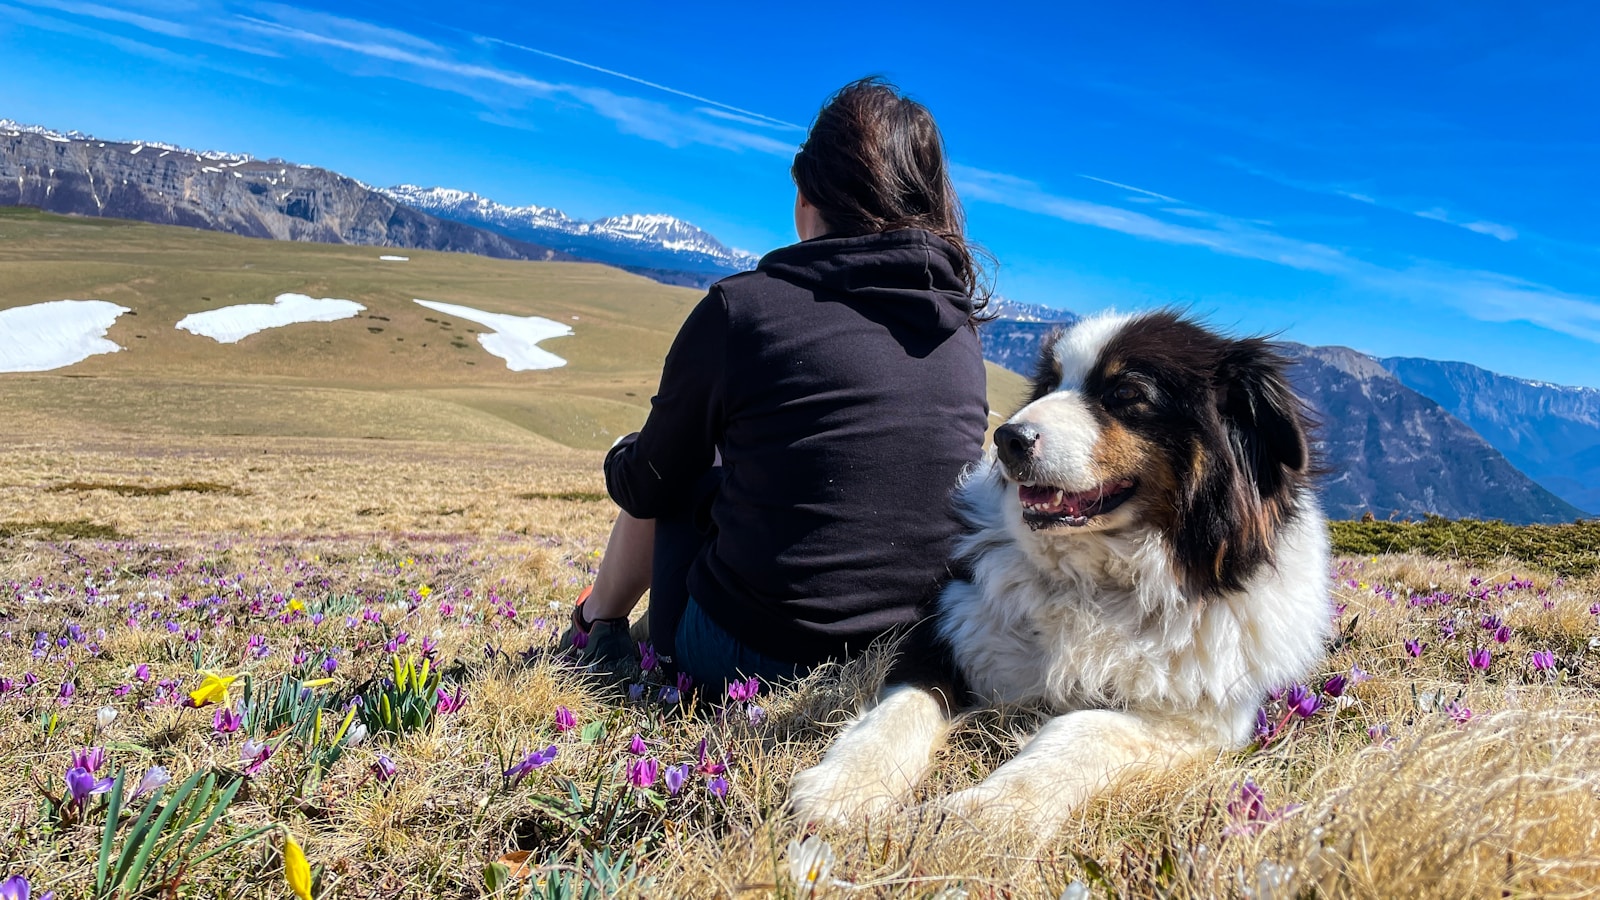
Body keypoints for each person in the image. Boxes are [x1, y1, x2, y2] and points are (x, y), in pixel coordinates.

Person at [564, 77, 990, 691]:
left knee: (673, 462)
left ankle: (595, 624)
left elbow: (648, 482)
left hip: (749, 656)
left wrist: (623, 454)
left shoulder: (746, 310)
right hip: (901, 658)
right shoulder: (960, 336)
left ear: (807, 192)